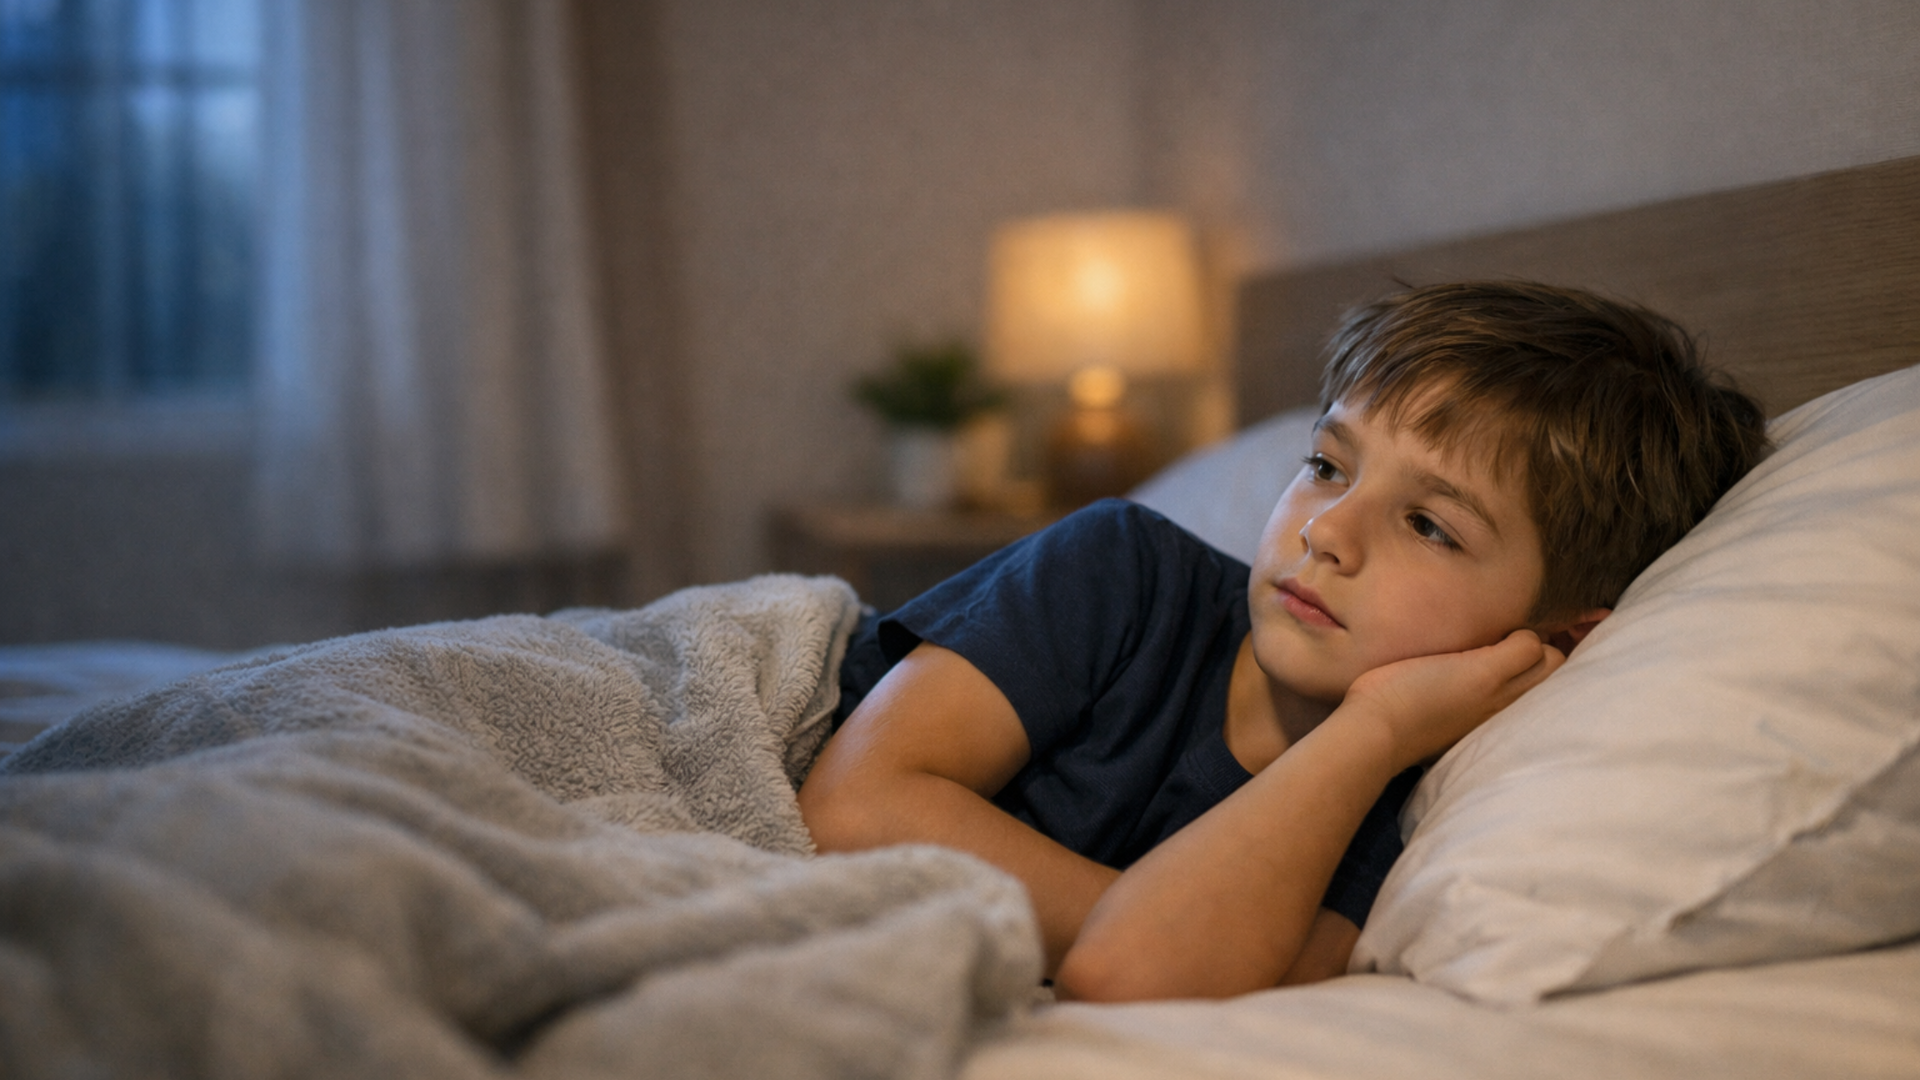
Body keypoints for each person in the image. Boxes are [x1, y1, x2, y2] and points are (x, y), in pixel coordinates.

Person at [797, 281, 1769, 1002]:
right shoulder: (1124, 568)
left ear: (1553, 638)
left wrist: (1373, 733)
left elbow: (1132, 971)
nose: (1326, 531)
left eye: (1430, 525)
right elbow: (855, 804)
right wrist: (1148, 901)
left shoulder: (1403, 815)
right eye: (1325, 465)